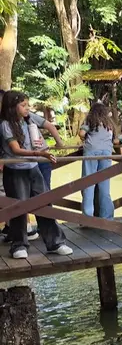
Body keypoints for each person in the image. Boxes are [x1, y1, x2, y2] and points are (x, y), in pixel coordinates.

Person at [0, 91, 73, 259]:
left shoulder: (28, 120)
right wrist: (40, 154)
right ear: (12, 107)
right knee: (19, 207)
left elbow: (35, 139)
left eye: (28, 105)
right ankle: (19, 245)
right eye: (23, 105)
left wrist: (39, 146)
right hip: (16, 169)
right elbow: (16, 149)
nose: (27, 108)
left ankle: (55, 242)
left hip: (33, 167)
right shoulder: (5, 124)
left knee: (44, 203)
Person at [78, 103, 115, 219]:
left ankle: (87, 217)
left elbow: (81, 133)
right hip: (106, 152)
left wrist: (85, 140)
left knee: (88, 184)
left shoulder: (90, 120)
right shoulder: (109, 122)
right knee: (105, 186)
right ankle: (107, 217)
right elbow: (115, 139)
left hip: (91, 152)